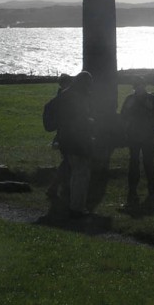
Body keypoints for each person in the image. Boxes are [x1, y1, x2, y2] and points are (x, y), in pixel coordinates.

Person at [54, 71, 96, 218]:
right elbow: (80, 120)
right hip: (79, 141)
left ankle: (72, 203)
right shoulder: (79, 97)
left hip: (67, 140)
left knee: (74, 172)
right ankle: (77, 207)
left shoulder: (65, 95)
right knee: (81, 174)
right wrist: (90, 122)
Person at [119, 77, 154, 209]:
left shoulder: (152, 99)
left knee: (148, 163)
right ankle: (133, 192)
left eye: (141, 86)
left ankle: (152, 192)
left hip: (147, 136)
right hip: (135, 135)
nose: (140, 89)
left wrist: (150, 109)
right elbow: (123, 116)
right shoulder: (131, 99)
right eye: (138, 86)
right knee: (134, 163)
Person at [46, 73, 73, 200]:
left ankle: (59, 187)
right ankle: (55, 186)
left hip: (62, 134)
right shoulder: (65, 98)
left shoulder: (59, 97)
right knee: (67, 161)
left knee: (67, 161)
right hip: (66, 134)